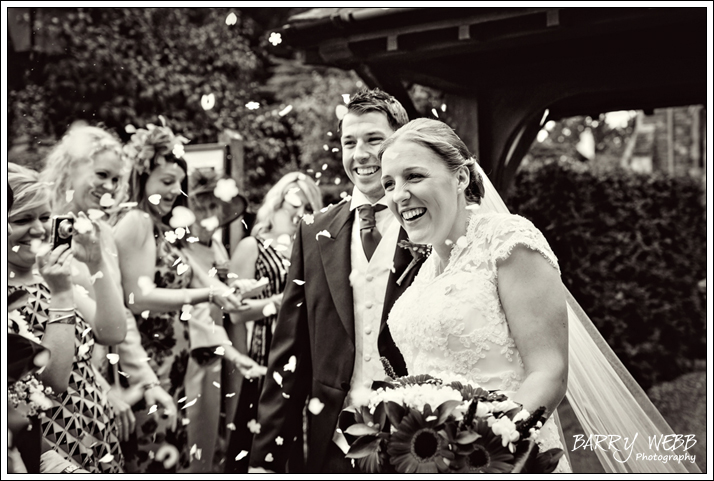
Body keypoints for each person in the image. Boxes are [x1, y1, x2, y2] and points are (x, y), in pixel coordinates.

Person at [377, 118, 700, 474]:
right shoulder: (425, 270)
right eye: (389, 183)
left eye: (414, 176)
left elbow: (549, 372)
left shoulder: (507, 241)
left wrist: (482, 449)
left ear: (461, 178)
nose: (398, 194)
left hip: (505, 458)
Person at [249, 89, 426, 473]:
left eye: (374, 140)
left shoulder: (428, 223)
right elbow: (288, 355)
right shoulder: (313, 231)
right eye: (349, 142)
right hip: (334, 441)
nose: (360, 154)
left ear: (400, 142)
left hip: (420, 436)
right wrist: (264, 460)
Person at [113, 118, 248, 473]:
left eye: (178, 183)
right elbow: (138, 298)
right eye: (166, 181)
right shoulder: (138, 222)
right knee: (151, 459)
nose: (175, 191)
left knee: (168, 457)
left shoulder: (156, 225)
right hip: (148, 365)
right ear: (142, 179)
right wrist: (207, 294)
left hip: (171, 366)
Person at [40, 124, 177, 447]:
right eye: (101, 174)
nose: (110, 187)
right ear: (69, 168)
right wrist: (101, 387)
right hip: (52, 383)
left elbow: (118, 314)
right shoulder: (37, 228)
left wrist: (146, 382)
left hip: (99, 383)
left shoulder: (100, 232)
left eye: (116, 179)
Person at [7, 163, 125, 473]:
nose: (38, 229)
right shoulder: (11, 295)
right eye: (22, 219)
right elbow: (52, 381)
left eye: (45, 217)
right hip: (55, 439)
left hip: (96, 427)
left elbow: (111, 331)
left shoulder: (48, 276)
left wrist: (97, 260)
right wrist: (61, 295)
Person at [226, 171, 322, 473]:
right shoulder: (252, 246)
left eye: (307, 206)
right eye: (291, 203)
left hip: (308, 360)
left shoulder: (314, 247)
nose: (298, 212)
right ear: (276, 203)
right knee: (258, 441)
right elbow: (235, 311)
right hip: (266, 357)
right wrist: (278, 302)